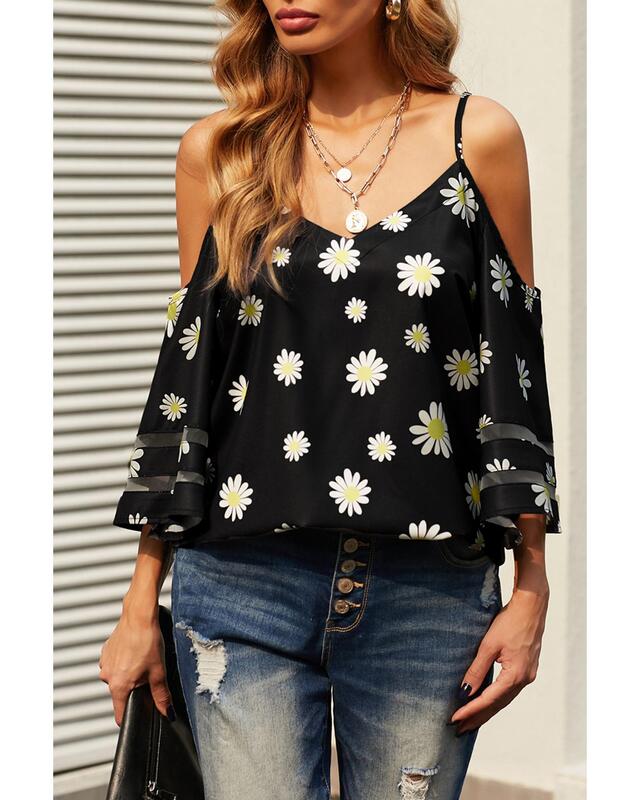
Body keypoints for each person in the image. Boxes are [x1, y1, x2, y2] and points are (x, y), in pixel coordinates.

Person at [99, 2, 561, 798]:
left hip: (427, 593)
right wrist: (142, 599)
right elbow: (187, 384)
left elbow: (512, 372)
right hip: (243, 583)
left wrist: (531, 586)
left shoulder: (478, 139)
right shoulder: (222, 151)